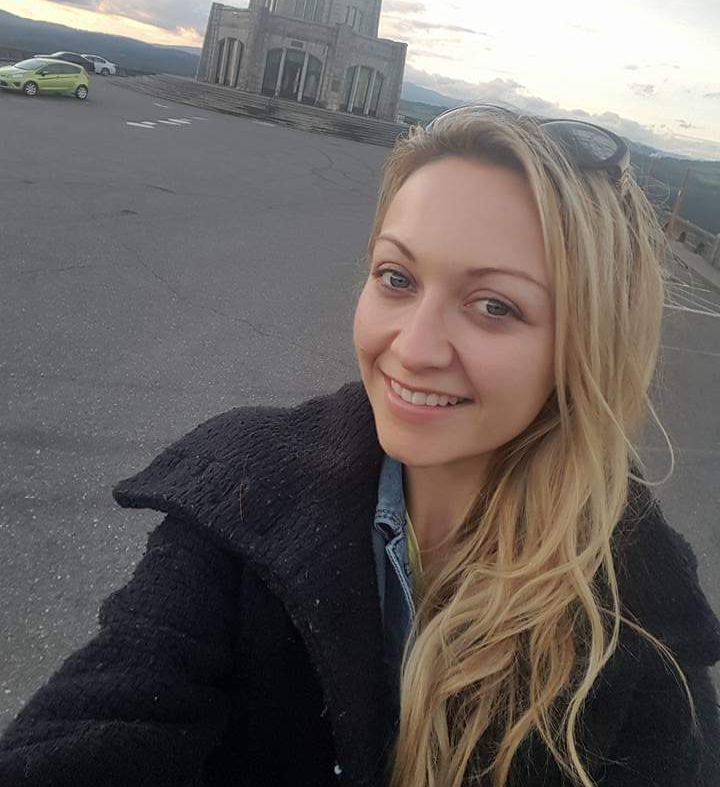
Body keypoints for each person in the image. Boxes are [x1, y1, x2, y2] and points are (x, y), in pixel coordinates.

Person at [1, 106, 718, 787]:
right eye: (396, 278)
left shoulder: (640, 616)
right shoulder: (243, 490)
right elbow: (114, 712)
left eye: (494, 305)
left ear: (585, 347)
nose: (414, 348)